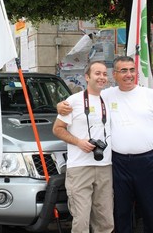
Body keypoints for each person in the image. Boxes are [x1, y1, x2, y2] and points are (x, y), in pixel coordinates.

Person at [58, 56, 153, 233]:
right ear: (115, 75)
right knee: (119, 211)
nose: (129, 74)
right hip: (117, 163)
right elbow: (82, 99)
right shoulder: (106, 95)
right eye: (123, 71)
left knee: (149, 209)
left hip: (147, 162)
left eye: (132, 70)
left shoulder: (149, 95)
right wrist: (61, 106)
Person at [53, 61, 114, 233]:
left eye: (104, 74)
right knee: (81, 220)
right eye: (97, 73)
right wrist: (79, 142)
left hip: (104, 167)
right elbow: (57, 129)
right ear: (87, 77)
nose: (102, 77)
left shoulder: (109, 98)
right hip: (79, 168)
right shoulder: (73, 101)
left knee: (105, 220)